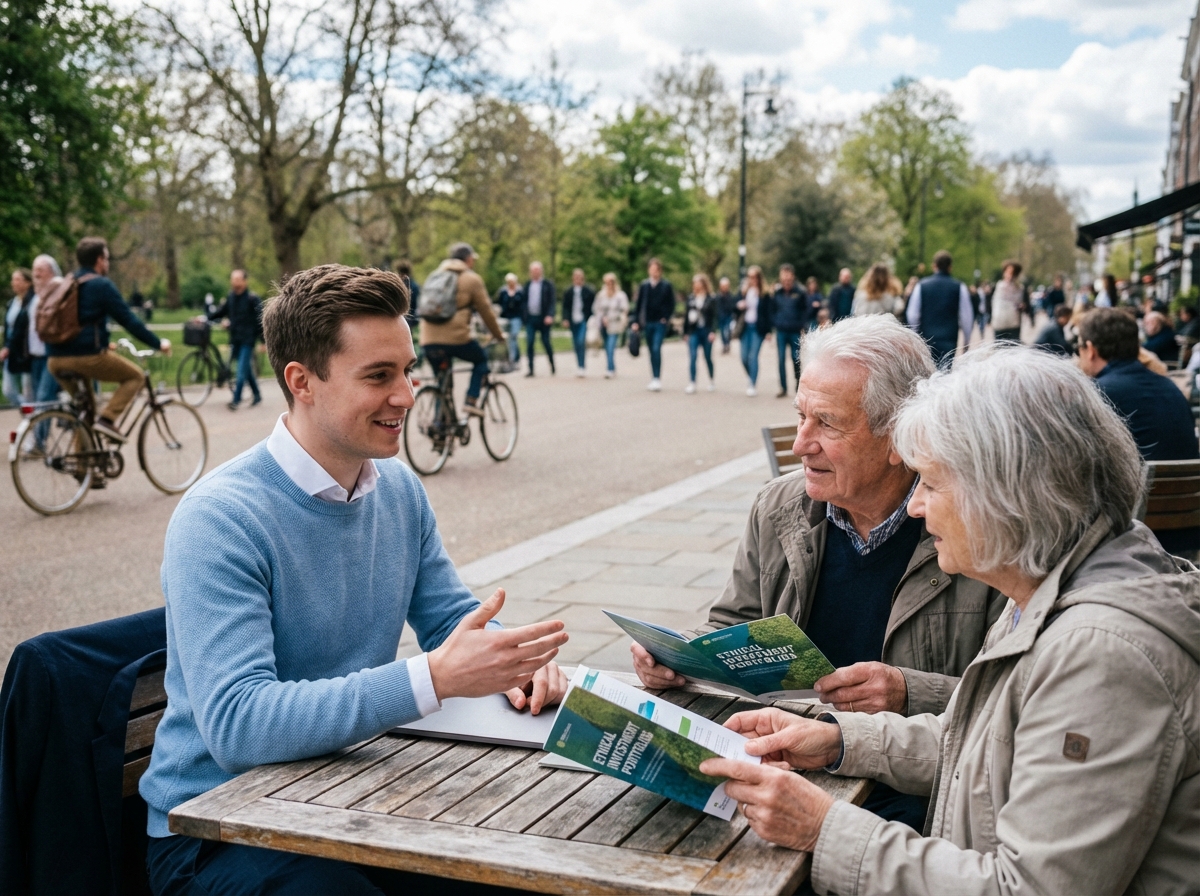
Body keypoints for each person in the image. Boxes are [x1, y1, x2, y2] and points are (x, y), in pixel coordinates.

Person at [702, 346, 1199, 896]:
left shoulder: (1102, 654)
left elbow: (1027, 888)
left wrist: (825, 828)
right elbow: (982, 744)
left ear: (1007, 496)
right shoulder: (1045, 592)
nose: (915, 506)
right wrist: (838, 739)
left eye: (933, 484)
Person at [140, 263, 569, 895]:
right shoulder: (219, 519)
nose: (407, 394)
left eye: (407, 368)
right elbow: (238, 725)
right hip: (215, 830)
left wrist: (510, 658)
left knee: (531, 872)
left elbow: (450, 616)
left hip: (346, 797)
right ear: (302, 381)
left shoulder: (396, 488)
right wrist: (435, 677)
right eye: (379, 375)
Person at [633, 314, 1004, 830]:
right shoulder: (780, 506)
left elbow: (1011, 703)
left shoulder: (967, 526)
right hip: (783, 757)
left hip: (912, 793)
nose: (800, 443)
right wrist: (679, 655)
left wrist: (905, 691)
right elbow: (731, 626)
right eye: (800, 416)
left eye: (826, 423)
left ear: (898, 435)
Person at [46, 237, 171, 442]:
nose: (108, 263)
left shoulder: (69, 282)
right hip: (85, 357)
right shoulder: (101, 285)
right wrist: (158, 343)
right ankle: (108, 419)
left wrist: (103, 342)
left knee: (86, 410)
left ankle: (84, 469)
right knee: (136, 377)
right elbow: (129, 320)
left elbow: (75, 322)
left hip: (55, 359)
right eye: (107, 258)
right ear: (100, 260)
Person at [1077, 308, 1198, 463]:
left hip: (1137, 486)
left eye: (1079, 347)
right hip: (1189, 486)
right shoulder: (1170, 387)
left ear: (1091, 349)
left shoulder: (1096, 393)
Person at [420, 243, 506, 416]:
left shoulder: (435, 275)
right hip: (456, 339)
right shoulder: (471, 279)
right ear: (468, 259)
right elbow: (487, 312)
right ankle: (471, 400)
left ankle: (439, 428)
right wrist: (498, 335)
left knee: (442, 384)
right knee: (481, 360)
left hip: (428, 339)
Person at [206, 269, 264, 410]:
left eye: (238, 279)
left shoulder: (252, 299)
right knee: (246, 369)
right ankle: (256, 394)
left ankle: (236, 400)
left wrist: (263, 341)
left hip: (248, 340)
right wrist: (204, 318)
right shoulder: (231, 298)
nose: (235, 282)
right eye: (233, 279)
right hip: (235, 339)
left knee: (240, 371)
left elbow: (261, 320)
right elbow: (220, 312)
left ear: (245, 281)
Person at [906, 251, 974, 368]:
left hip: (925, 338)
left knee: (926, 374)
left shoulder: (921, 286)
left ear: (934, 266)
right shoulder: (959, 287)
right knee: (945, 374)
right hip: (949, 338)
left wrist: (915, 337)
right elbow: (966, 317)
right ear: (950, 267)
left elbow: (912, 315)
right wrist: (966, 341)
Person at [631, 258, 675, 391]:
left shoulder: (666, 286)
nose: (654, 272)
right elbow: (638, 305)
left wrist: (666, 318)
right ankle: (653, 377)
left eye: (656, 269)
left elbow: (671, 304)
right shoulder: (644, 286)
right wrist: (635, 322)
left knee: (656, 348)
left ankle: (657, 378)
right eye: (652, 269)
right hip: (647, 322)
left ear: (660, 271)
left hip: (660, 323)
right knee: (651, 350)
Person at [771, 265, 806, 398]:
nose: (786, 277)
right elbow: (772, 309)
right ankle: (783, 387)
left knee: (795, 358)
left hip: (795, 330)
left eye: (788, 274)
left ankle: (798, 384)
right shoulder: (776, 292)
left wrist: (801, 325)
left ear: (792, 275)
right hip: (781, 330)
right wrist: (775, 322)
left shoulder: (800, 292)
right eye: (783, 274)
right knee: (780, 359)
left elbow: (804, 310)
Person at [2, 269, 34, 407]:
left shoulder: (31, 303)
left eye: (17, 279)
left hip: (25, 351)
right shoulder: (12, 303)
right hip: (11, 350)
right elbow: (9, 328)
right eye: (13, 279)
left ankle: (32, 418)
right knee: (8, 390)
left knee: (28, 390)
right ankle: (28, 412)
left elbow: (21, 329)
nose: (13, 283)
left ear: (28, 283)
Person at [737, 265, 771, 397]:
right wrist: (739, 305)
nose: (752, 279)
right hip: (745, 328)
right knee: (744, 357)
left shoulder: (765, 293)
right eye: (749, 277)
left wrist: (768, 331)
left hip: (758, 328)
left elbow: (768, 313)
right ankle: (751, 375)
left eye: (754, 277)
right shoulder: (744, 291)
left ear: (759, 278)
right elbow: (734, 305)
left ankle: (752, 383)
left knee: (753, 356)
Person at [683, 273, 717, 394]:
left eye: (699, 283)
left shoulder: (711, 298)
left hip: (706, 330)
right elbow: (686, 316)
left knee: (707, 356)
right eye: (695, 283)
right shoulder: (691, 298)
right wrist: (685, 332)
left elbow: (714, 317)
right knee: (692, 356)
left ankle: (711, 380)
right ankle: (692, 382)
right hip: (694, 331)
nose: (696, 285)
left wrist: (713, 331)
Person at [522, 261, 555, 377]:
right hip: (531, 318)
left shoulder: (547, 284)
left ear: (541, 271)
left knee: (546, 342)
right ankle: (531, 369)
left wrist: (550, 315)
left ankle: (552, 364)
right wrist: (524, 317)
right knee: (530, 342)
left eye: (537, 270)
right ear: (531, 272)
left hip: (544, 318)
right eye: (533, 270)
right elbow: (523, 302)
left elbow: (552, 302)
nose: (535, 272)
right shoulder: (527, 285)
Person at [592, 273, 628, 378]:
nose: (609, 284)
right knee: (607, 347)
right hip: (603, 324)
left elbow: (624, 309)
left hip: (614, 324)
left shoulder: (620, 295)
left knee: (611, 346)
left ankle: (610, 369)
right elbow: (596, 308)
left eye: (611, 282)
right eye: (607, 282)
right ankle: (612, 366)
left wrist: (612, 317)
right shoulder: (601, 295)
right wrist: (601, 318)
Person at [561, 268, 595, 377]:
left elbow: (593, 306)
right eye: (576, 277)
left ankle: (582, 366)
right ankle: (579, 365)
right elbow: (565, 307)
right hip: (572, 320)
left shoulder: (588, 291)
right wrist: (565, 319)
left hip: (583, 320)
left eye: (580, 277)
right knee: (576, 344)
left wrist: (591, 318)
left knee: (581, 342)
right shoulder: (569, 291)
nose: (578, 279)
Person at [989, 259, 1025, 344]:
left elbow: (1025, 305)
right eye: (1008, 272)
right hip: (999, 324)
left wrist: (1022, 306)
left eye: (1012, 273)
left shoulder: (1020, 288)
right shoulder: (998, 286)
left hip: (1013, 324)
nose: (1010, 275)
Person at [495, 273, 524, 365]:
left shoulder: (520, 291)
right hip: (506, 317)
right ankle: (515, 356)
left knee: (513, 336)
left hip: (516, 317)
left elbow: (523, 305)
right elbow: (498, 303)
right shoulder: (503, 291)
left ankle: (512, 358)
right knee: (509, 338)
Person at [715, 276, 738, 353]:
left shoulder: (730, 296)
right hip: (721, 316)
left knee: (727, 330)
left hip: (728, 316)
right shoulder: (718, 296)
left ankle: (727, 344)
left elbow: (733, 306)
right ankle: (725, 344)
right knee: (722, 332)